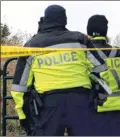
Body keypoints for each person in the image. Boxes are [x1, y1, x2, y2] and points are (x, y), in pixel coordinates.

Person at [10, 5, 111, 136]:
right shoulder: (80, 40)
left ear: (45, 20)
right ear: (65, 20)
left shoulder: (31, 45)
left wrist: (22, 115)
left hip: (48, 105)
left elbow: (19, 86)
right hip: (81, 101)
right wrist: (99, 93)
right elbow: (102, 70)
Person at [86, 14, 120, 136]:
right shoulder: (117, 52)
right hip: (118, 109)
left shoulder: (84, 54)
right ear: (105, 31)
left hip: (95, 108)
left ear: (89, 32)